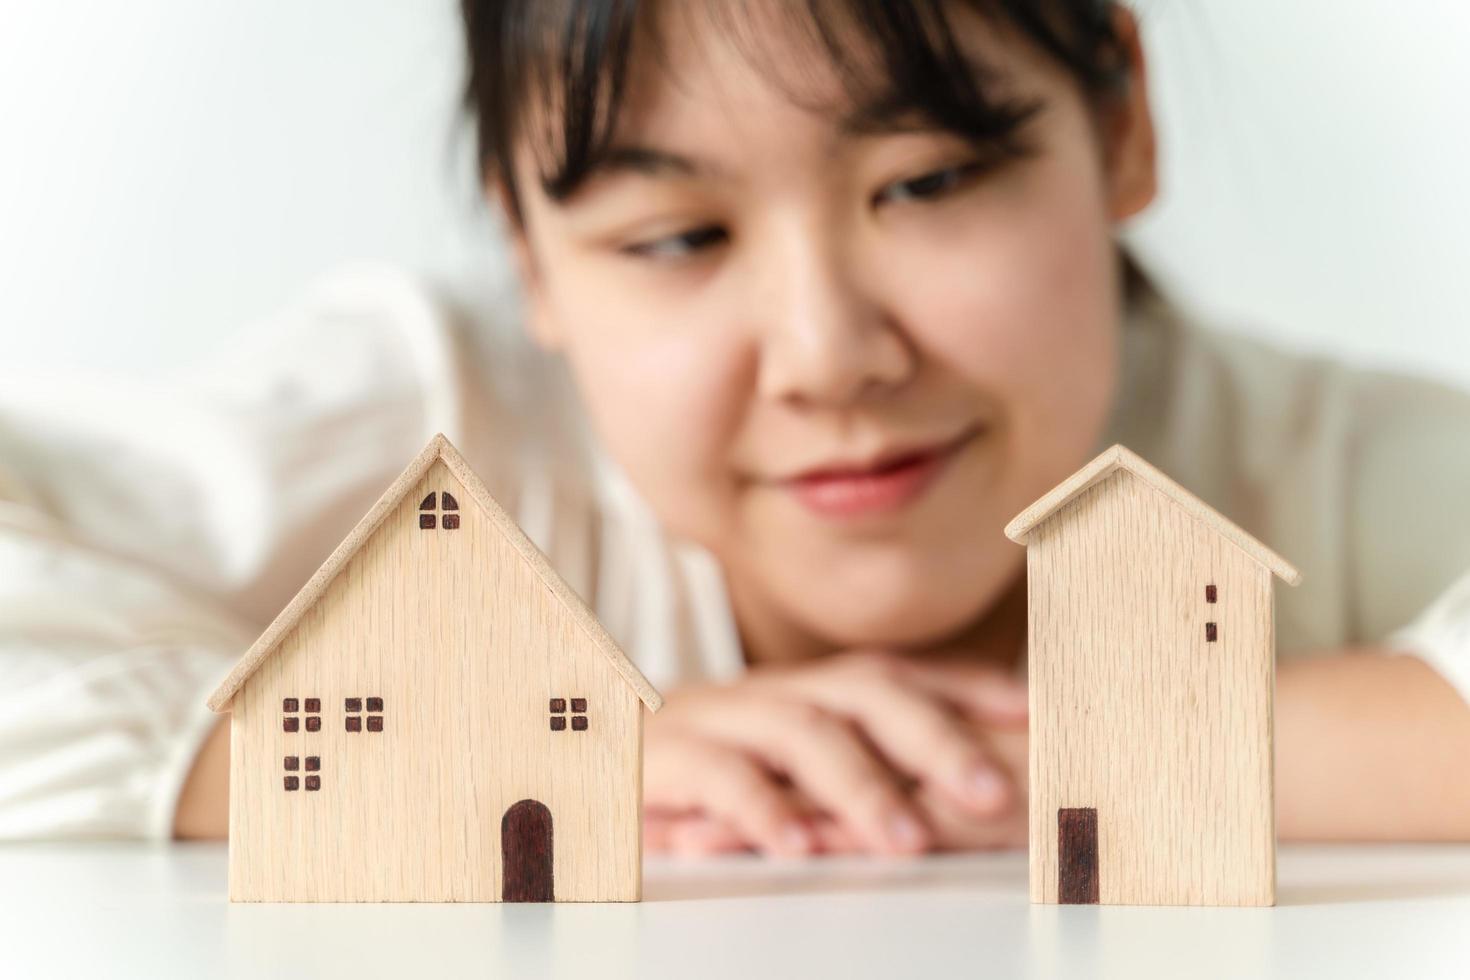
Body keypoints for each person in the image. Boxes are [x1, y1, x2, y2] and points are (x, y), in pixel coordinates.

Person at [3, 0, 1469, 852]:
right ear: (528, 258)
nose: (829, 358)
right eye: (674, 237)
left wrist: (1118, 752)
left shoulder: (1313, 467)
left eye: (928, 183)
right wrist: (502, 747)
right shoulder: (451, 422)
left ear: (1121, 122)